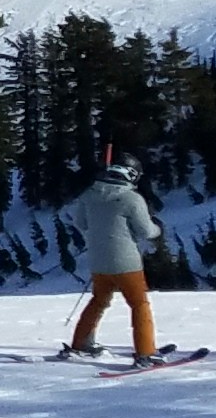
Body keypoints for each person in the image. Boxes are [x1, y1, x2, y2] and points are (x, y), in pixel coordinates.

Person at [63, 146, 165, 361]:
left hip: (98, 261)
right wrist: (158, 228)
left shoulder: (89, 194)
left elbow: (81, 223)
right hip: (127, 262)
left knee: (99, 300)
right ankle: (146, 352)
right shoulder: (131, 199)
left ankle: (81, 342)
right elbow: (146, 231)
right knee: (139, 304)